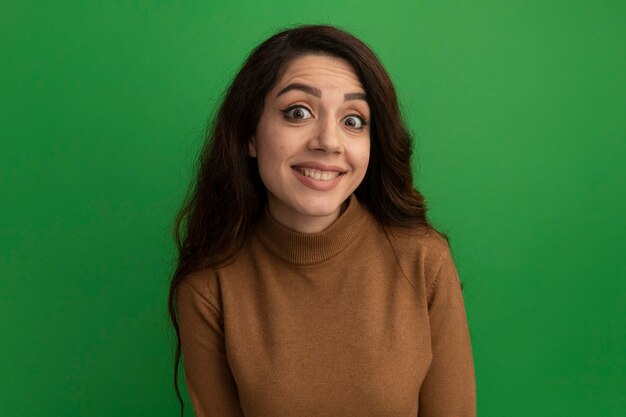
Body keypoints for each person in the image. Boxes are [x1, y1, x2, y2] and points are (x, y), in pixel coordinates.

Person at [168, 24, 476, 417]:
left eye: (353, 120)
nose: (328, 141)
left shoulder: (424, 261)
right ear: (250, 134)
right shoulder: (209, 287)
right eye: (299, 112)